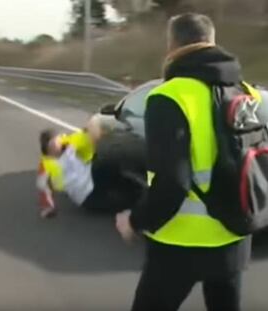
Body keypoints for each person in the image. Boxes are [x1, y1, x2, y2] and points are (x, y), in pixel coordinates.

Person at [116, 13, 258, 311]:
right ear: (212, 41)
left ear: (172, 45)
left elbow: (172, 183)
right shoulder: (246, 92)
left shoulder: (168, 97)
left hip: (180, 245)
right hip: (235, 234)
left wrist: (135, 220)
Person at [38, 115, 146, 218]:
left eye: (57, 140)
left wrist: (93, 125)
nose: (57, 144)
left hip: (94, 177)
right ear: (48, 151)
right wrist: (48, 207)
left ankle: (140, 184)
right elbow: (44, 186)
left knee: (110, 158)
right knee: (127, 201)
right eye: (52, 144)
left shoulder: (70, 146)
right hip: (88, 196)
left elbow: (92, 133)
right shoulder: (49, 163)